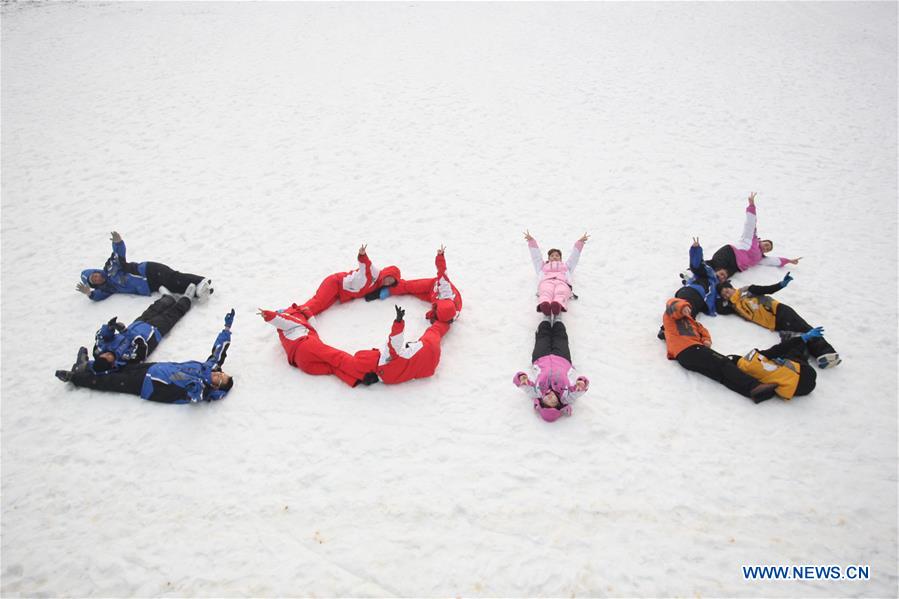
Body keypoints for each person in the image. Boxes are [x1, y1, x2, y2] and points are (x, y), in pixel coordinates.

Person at [55, 310, 235, 404]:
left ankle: (75, 378)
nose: (218, 375)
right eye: (221, 374)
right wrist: (227, 328)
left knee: (110, 381)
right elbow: (218, 352)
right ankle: (87, 366)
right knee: (115, 367)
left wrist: (201, 389)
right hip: (151, 368)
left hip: (147, 386)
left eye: (220, 380)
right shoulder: (207, 368)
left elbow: (195, 396)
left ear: (215, 385)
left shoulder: (201, 389)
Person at [662, 297, 777, 402]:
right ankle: (754, 386)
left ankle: (754, 393)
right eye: (685, 309)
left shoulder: (692, 321)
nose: (687, 312)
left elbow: (702, 330)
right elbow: (672, 305)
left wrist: (706, 340)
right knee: (723, 362)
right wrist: (683, 307)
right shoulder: (669, 317)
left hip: (686, 356)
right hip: (689, 348)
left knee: (719, 374)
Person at [717, 273, 840, 368]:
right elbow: (719, 309)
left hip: (779, 311)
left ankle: (826, 353)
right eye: (724, 295)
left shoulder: (748, 290)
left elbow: (766, 289)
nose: (727, 295)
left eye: (727, 291)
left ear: (732, 288)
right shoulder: (734, 307)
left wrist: (781, 284)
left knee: (802, 328)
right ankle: (804, 362)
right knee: (792, 339)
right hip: (775, 324)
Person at [258, 305, 380, 388]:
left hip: (303, 364)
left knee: (332, 367)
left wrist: (307, 313)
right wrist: (268, 315)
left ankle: (356, 379)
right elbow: (281, 320)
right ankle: (363, 374)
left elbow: (312, 326)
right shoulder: (292, 322)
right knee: (338, 358)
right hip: (306, 346)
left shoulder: (287, 332)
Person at [77, 231, 212, 302]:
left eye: (95, 275)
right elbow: (98, 296)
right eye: (94, 281)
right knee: (173, 287)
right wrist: (89, 293)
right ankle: (199, 292)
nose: (97, 278)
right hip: (149, 286)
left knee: (172, 278)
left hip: (147, 271)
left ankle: (201, 281)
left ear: (97, 272)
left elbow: (119, 254)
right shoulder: (109, 288)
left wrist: (118, 242)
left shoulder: (110, 269)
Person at [89, 292, 193, 373]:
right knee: (172, 314)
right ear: (112, 364)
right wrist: (125, 331)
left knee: (153, 309)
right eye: (108, 358)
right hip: (153, 331)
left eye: (103, 356)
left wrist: (109, 328)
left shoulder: (101, 350)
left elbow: (101, 337)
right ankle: (186, 299)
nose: (106, 354)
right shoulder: (127, 361)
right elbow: (140, 344)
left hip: (137, 324)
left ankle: (168, 298)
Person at [705, 192, 801, 279]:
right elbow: (750, 223)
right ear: (761, 241)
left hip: (736, 267)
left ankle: (707, 286)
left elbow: (775, 261)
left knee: (721, 278)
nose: (766, 248)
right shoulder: (751, 238)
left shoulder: (760, 258)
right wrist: (751, 206)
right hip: (729, 254)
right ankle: (695, 271)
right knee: (715, 267)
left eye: (768, 249)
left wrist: (789, 261)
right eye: (767, 244)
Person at [513, 319, 589, 422]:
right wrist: (581, 383)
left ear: (541, 402)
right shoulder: (566, 397)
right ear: (558, 403)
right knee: (561, 338)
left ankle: (546, 319)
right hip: (563, 359)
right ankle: (558, 319)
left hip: (540, 358)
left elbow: (521, 383)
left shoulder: (537, 393)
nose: (550, 398)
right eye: (553, 402)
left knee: (542, 338)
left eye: (546, 401)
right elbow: (581, 389)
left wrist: (522, 378)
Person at [297, 244, 401, 316]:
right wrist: (362, 254)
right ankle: (291, 313)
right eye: (389, 279)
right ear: (386, 273)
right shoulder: (374, 273)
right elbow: (367, 264)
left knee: (321, 308)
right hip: (336, 283)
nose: (388, 282)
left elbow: (403, 286)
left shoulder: (379, 286)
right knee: (318, 303)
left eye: (391, 283)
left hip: (340, 293)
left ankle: (296, 315)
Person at [727, 331, 822, 402]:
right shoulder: (756, 356)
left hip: (796, 390)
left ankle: (800, 350)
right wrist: (801, 338)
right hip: (806, 372)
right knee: (787, 354)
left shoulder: (745, 376)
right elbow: (779, 349)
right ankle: (797, 342)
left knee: (782, 360)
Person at [379, 246, 463, 323]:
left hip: (433, 297)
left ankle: (390, 290)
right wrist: (440, 257)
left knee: (413, 293)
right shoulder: (445, 288)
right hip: (433, 285)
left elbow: (437, 323)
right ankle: (387, 291)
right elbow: (442, 271)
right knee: (409, 286)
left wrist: (432, 316)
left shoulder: (447, 317)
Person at [373, 305, 451, 384]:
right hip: (428, 348)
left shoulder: (387, 379)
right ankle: (447, 318)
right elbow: (395, 341)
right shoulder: (385, 360)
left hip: (427, 369)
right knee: (435, 330)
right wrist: (398, 322)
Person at [524, 231, 589, 316]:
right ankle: (545, 305)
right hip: (546, 281)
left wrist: (580, 243)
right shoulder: (542, 266)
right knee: (546, 291)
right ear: (549, 258)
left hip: (562, 283)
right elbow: (536, 257)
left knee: (561, 292)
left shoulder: (566, 266)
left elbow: (574, 258)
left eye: (557, 255)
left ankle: (557, 305)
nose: (554, 257)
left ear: (561, 258)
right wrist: (531, 241)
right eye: (552, 256)